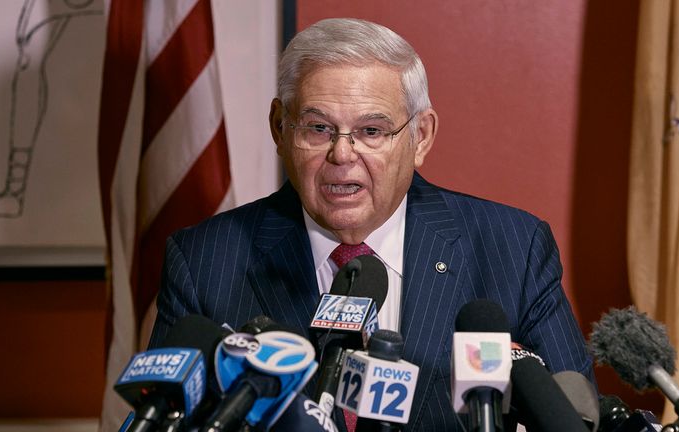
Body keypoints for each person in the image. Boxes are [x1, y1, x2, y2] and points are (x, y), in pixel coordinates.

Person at [149, 17, 595, 431]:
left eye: (371, 131)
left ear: (421, 137)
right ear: (280, 129)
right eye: (318, 128)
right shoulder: (204, 260)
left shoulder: (512, 249)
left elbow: (574, 414)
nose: (342, 155)